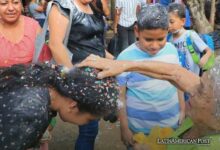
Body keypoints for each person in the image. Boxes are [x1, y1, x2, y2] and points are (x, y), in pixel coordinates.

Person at [78, 54, 220, 145]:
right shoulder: (204, 114)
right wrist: (124, 65)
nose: (190, 90)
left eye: (201, 91)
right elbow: (176, 73)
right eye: (199, 83)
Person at [0, 63, 119, 150]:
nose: (86, 123)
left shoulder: (45, 82)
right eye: (89, 119)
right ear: (73, 105)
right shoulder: (31, 111)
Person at [115, 4, 184, 149]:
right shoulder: (125, 57)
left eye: (160, 39)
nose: (154, 45)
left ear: (167, 32)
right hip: (138, 131)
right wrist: (124, 127)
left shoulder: (172, 51)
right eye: (148, 39)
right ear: (137, 31)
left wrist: (182, 110)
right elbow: (119, 96)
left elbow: (179, 82)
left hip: (170, 125)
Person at [47, 0, 113, 149]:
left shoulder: (94, 8)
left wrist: (116, 61)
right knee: (45, 124)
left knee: (89, 129)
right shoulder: (63, 6)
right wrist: (77, 82)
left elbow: (96, 45)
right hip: (73, 77)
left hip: (94, 78)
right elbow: (55, 45)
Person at [167, 3, 212, 75]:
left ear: (183, 21)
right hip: (176, 78)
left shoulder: (190, 35)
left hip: (192, 79)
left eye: (171, 22)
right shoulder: (169, 39)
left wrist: (205, 58)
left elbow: (208, 51)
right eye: (167, 22)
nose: (169, 25)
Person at [0, 0, 41, 67]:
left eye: (16, 2)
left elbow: (44, 61)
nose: (11, 8)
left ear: (21, 5)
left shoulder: (33, 26)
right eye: (4, 3)